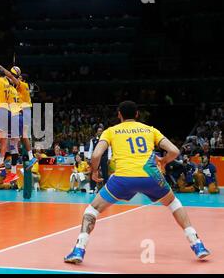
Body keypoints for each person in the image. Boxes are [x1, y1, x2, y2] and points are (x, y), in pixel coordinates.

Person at [64, 101, 210, 264]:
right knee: (174, 203)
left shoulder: (111, 131)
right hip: (151, 176)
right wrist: (163, 161)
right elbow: (175, 151)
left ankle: (79, 249)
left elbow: (97, 155)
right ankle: (197, 245)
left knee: (92, 210)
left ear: (119, 114)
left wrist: (95, 171)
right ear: (137, 115)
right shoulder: (150, 130)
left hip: (123, 179)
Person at [87, 127, 112, 194]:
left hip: (104, 158)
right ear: (97, 132)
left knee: (105, 173)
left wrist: (109, 158)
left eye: (101, 131)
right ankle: (92, 188)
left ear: (103, 132)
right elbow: (90, 149)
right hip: (96, 158)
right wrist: (89, 158)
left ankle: (106, 189)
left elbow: (109, 149)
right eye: (99, 131)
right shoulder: (93, 140)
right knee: (94, 172)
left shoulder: (106, 140)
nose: (100, 132)